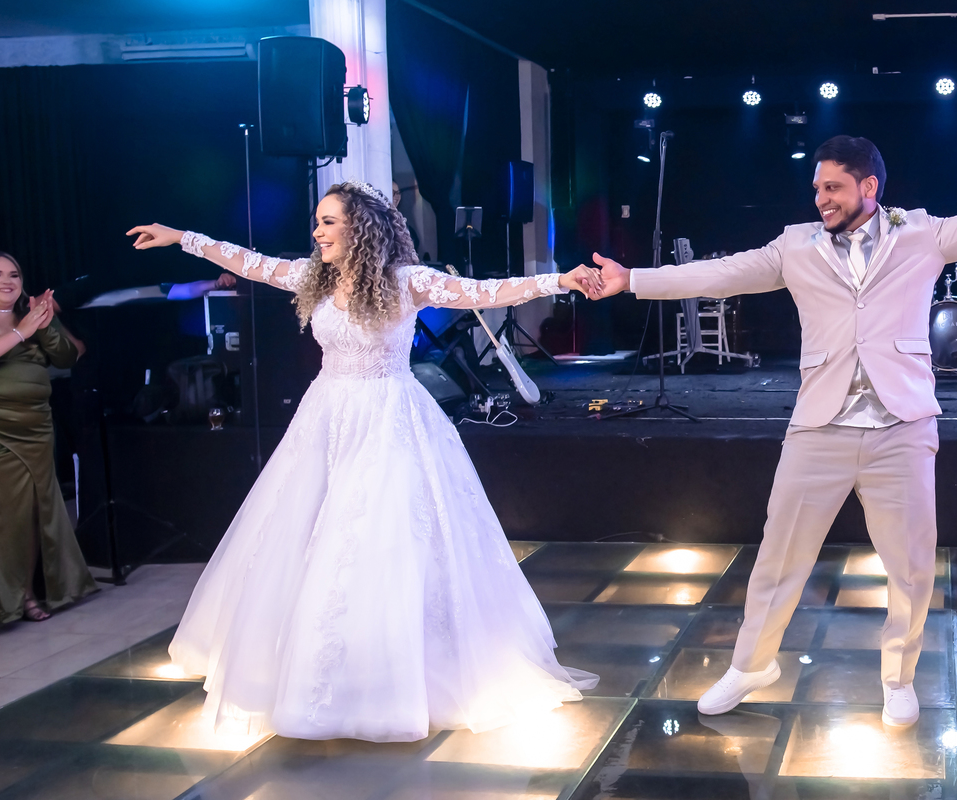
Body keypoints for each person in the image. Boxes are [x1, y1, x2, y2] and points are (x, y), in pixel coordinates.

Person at [590, 102, 957, 727]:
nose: (820, 198)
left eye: (832, 188)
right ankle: (750, 665)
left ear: (868, 186)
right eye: (817, 188)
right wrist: (632, 279)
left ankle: (897, 677)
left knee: (910, 567)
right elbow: (721, 274)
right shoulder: (795, 246)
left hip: (901, 427)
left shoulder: (923, 235)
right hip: (819, 426)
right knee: (777, 558)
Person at [126, 180, 603, 742]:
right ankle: (319, 668)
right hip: (326, 419)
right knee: (311, 536)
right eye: (317, 221)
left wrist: (559, 280)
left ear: (361, 227)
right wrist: (182, 237)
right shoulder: (315, 278)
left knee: (378, 541)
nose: (317, 232)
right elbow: (249, 262)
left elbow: (483, 291)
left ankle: (390, 674)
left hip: (389, 420)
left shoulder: (406, 281)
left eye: (328, 222)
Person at [0, 252, 99, 624]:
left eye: (14, 274)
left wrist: (44, 324)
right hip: (1, 430)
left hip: (37, 428)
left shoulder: (32, 314)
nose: (7, 281)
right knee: (8, 518)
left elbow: (69, 357)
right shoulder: (21, 324)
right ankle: (8, 599)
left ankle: (24, 594)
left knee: (32, 517)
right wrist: (22, 331)